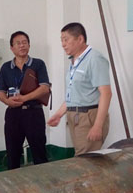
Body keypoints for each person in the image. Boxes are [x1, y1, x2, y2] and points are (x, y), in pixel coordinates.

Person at [48, 22, 112, 155]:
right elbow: (74, 95)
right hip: (74, 116)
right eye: (61, 40)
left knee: (86, 159)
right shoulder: (74, 61)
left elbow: (106, 94)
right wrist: (59, 114)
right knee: (83, 157)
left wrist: (97, 126)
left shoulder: (95, 59)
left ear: (80, 39)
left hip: (88, 117)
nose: (63, 44)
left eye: (66, 39)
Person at [0, 31, 50, 169]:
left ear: (29, 45)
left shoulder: (38, 64)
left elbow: (44, 88)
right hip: (13, 114)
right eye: (18, 43)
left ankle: (43, 181)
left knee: (39, 153)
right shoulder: (6, 67)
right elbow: (1, 92)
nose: (22, 45)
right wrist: (7, 101)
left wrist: (24, 98)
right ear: (12, 48)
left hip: (34, 113)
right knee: (12, 154)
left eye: (25, 42)